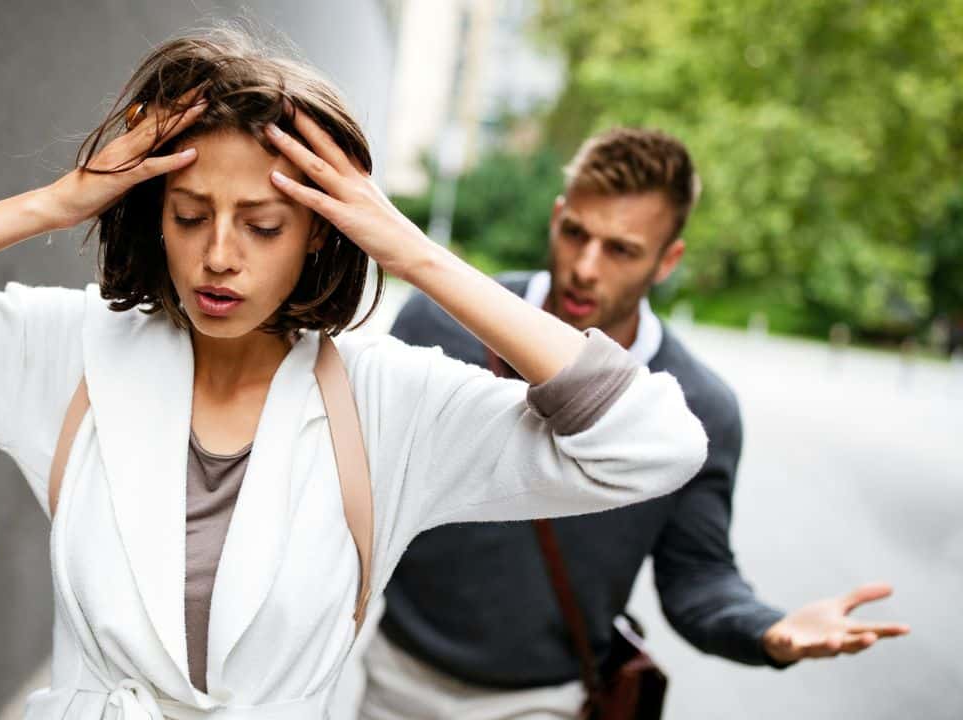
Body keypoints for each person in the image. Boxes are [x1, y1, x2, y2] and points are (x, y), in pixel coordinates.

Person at [0, 29, 709, 720]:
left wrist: (412, 255)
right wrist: (51, 204)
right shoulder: (66, 352)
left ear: (321, 233)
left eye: (262, 224)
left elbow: (650, 446)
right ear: (152, 216)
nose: (219, 257)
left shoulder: (389, 403)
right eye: (190, 215)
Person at [357, 128, 912, 719]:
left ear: (668, 260)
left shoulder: (697, 407)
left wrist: (768, 631)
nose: (585, 268)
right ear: (557, 216)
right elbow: (365, 478)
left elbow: (697, 578)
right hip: (394, 673)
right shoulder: (442, 321)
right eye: (575, 233)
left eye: (620, 249)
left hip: (545, 701)